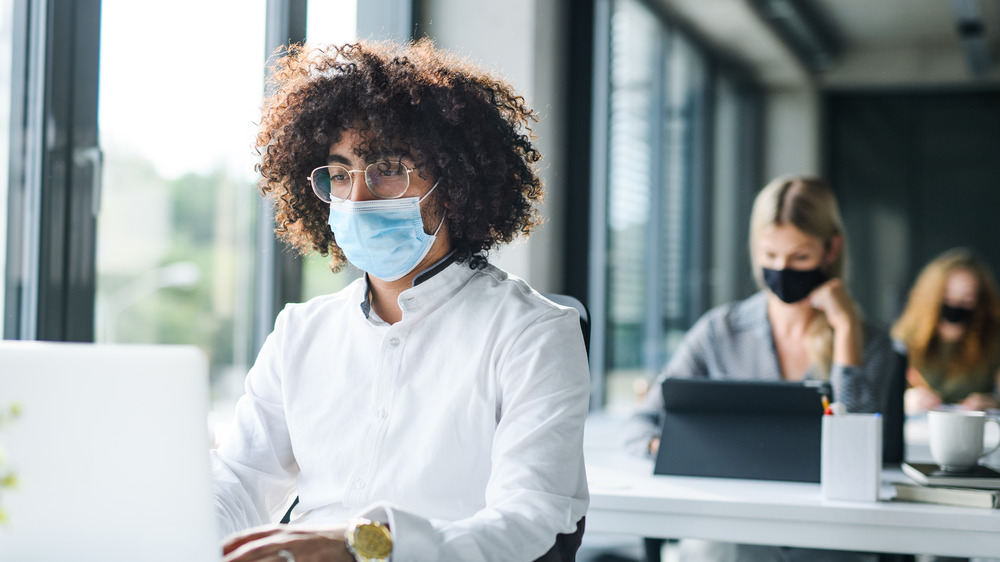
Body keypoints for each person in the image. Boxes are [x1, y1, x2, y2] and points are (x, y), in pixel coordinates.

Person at [211, 40, 590, 562]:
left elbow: (528, 522)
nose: (357, 198)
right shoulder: (300, 330)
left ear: (453, 183)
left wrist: (366, 548)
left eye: (387, 168)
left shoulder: (534, 333)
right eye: (340, 174)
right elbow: (240, 479)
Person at [624, 175, 896, 562]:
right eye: (770, 256)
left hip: (826, 534)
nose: (782, 270)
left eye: (799, 258)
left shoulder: (870, 343)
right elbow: (641, 423)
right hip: (734, 528)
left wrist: (846, 330)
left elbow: (858, 450)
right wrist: (670, 448)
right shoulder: (720, 331)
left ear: (831, 249)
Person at [892, 249, 1000, 414]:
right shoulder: (904, 339)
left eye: (967, 300)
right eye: (947, 298)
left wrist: (993, 404)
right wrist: (906, 399)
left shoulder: (993, 340)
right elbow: (883, 394)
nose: (955, 308)